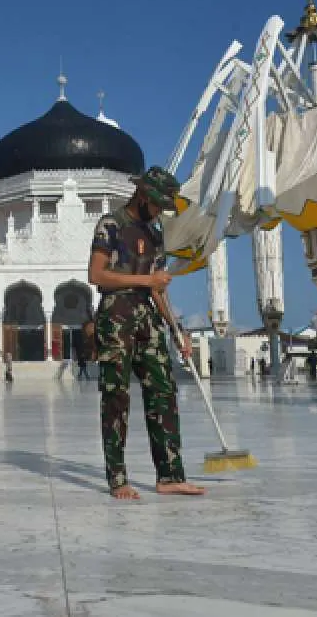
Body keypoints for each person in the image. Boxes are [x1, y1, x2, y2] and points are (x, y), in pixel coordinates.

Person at [88, 165, 205, 500]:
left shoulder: (155, 234)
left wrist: (177, 330)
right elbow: (96, 275)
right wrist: (146, 281)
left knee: (163, 392)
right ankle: (117, 478)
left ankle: (170, 475)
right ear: (142, 195)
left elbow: (159, 289)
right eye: (156, 204)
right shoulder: (111, 225)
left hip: (148, 318)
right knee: (116, 397)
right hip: (116, 318)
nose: (158, 211)